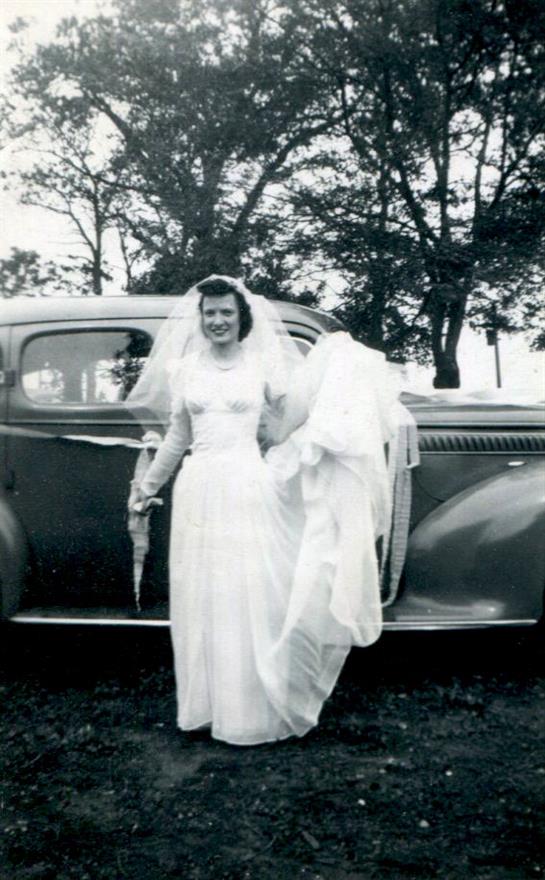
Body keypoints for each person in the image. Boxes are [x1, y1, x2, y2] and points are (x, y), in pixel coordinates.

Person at [127, 275, 401, 746]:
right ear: (201, 318)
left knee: (247, 595)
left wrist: (312, 438)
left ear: (242, 318)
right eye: (210, 313)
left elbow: (297, 414)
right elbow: (177, 437)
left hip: (248, 484)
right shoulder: (185, 369)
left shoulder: (263, 370)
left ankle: (253, 710)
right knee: (205, 596)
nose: (217, 321)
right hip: (199, 490)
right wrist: (147, 486)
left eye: (226, 313)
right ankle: (210, 708)